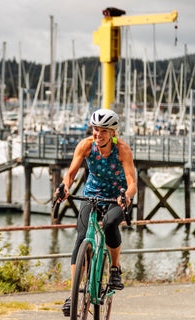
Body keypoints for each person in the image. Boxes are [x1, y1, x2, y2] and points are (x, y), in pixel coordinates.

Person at [56, 108, 136, 316]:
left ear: (112, 133)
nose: (97, 134)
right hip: (92, 193)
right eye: (95, 130)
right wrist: (65, 187)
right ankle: (74, 293)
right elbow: (71, 173)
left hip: (117, 196)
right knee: (81, 238)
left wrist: (126, 195)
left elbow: (132, 183)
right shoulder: (85, 145)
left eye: (103, 131)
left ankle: (115, 269)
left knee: (110, 224)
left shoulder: (123, 150)